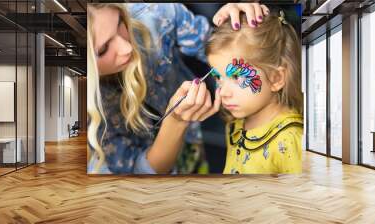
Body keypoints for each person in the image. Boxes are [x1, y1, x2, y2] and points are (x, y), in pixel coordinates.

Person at [87, 3, 270, 174]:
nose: (127, 47)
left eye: (120, 23)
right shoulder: (85, 112)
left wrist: (237, 29)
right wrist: (175, 122)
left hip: (194, 147)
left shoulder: (157, 15)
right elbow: (139, 174)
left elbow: (220, 50)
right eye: (103, 49)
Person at [206, 10, 303, 174]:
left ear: (276, 78)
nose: (223, 92)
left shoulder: (291, 140)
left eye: (236, 77)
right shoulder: (235, 124)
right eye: (218, 78)